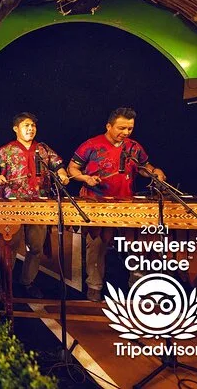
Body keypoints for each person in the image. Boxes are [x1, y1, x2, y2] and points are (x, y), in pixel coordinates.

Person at [68, 107, 167, 301]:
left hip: (127, 203)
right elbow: (72, 168)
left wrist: (154, 171)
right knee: (96, 247)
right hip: (97, 203)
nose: (126, 132)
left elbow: (143, 167)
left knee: (138, 246)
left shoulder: (133, 147)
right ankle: (94, 286)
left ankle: (138, 285)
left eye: (130, 128)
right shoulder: (91, 145)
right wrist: (86, 178)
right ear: (109, 126)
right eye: (121, 128)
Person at [0, 112, 69, 298]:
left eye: (33, 126)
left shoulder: (44, 150)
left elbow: (58, 166)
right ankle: (3, 283)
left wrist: (62, 175)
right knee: (10, 246)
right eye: (26, 125)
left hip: (39, 204)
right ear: (16, 128)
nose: (31, 129)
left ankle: (28, 282)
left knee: (36, 247)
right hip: (12, 205)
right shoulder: (5, 151)